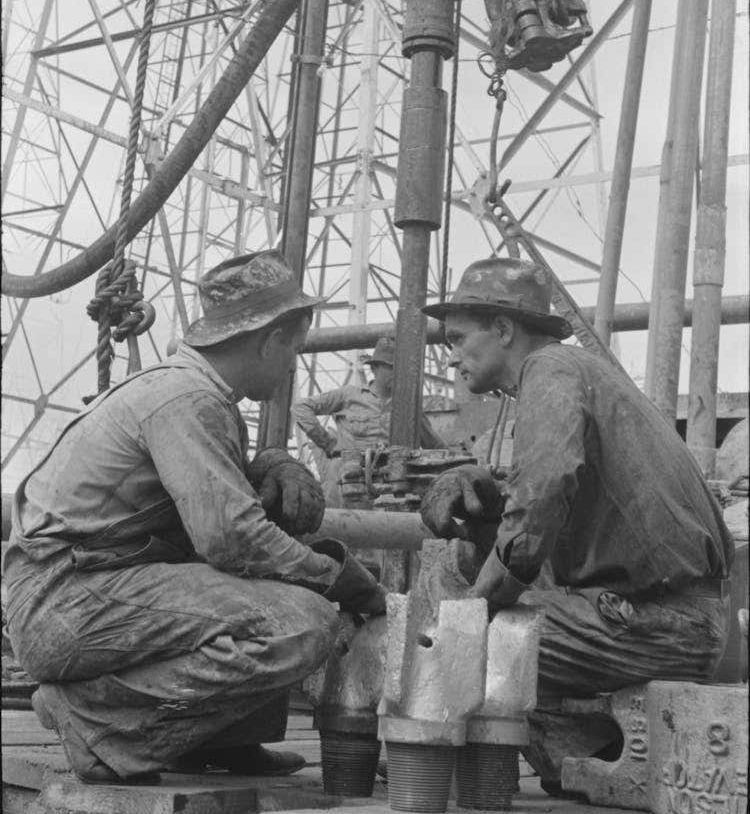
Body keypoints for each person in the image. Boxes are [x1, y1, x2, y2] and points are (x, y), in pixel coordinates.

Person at [4, 250, 386, 786]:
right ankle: (94, 721)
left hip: (80, 588)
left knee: (267, 587)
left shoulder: (197, 394)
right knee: (301, 621)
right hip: (64, 600)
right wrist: (335, 575)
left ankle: (209, 743)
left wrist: (263, 471)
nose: (293, 366)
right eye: (294, 349)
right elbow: (232, 540)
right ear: (270, 339)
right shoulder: (188, 399)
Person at [419, 257, 734, 784]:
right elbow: (554, 503)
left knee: (460, 631)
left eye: (456, 339)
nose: (451, 358)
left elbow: (543, 493)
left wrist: (466, 620)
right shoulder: (578, 374)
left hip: (664, 623)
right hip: (666, 613)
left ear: (502, 329)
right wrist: (487, 509)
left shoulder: (550, 371)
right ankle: (581, 753)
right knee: (459, 572)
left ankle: (432, 755)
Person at [292, 336, 446, 506]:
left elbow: (436, 447)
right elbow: (301, 407)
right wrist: (328, 443)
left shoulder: (409, 407)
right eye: (392, 368)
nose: (397, 374)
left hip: (393, 494)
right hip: (349, 490)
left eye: (401, 370)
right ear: (375, 368)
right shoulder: (349, 395)